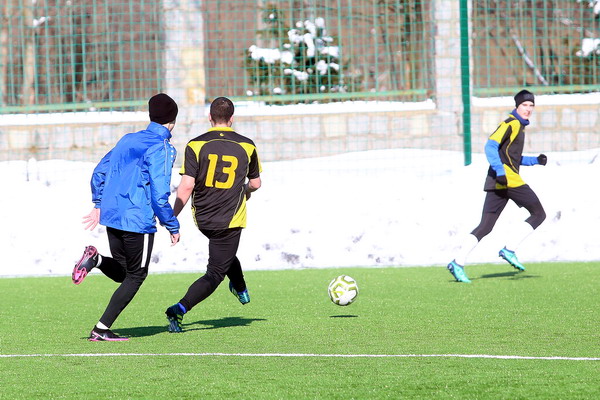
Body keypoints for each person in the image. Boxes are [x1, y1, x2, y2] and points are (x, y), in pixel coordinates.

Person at [72, 93, 181, 341]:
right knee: (136, 276)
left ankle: (97, 259)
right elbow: (159, 194)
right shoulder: (163, 147)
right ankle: (101, 329)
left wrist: (99, 203)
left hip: (113, 217)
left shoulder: (127, 140)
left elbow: (99, 172)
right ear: (172, 121)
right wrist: (172, 225)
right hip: (137, 220)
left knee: (123, 273)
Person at [165, 96, 262, 333]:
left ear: (209, 117)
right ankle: (179, 308)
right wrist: (245, 191)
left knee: (224, 254)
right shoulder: (247, 145)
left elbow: (186, 186)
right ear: (231, 119)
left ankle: (240, 288)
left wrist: (172, 217)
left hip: (204, 218)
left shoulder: (195, 145)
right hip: (230, 218)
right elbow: (255, 183)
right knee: (216, 271)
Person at [447, 89, 547, 283]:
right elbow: (490, 146)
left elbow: (512, 158)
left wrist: (535, 160)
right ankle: (509, 249)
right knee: (539, 214)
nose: (528, 109)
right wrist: (500, 171)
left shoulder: (519, 126)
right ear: (517, 106)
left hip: (498, 180)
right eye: (524, 105)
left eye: (531, 105)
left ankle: (457, 262)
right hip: (508, 179)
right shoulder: (511, 123)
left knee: (485, 226)